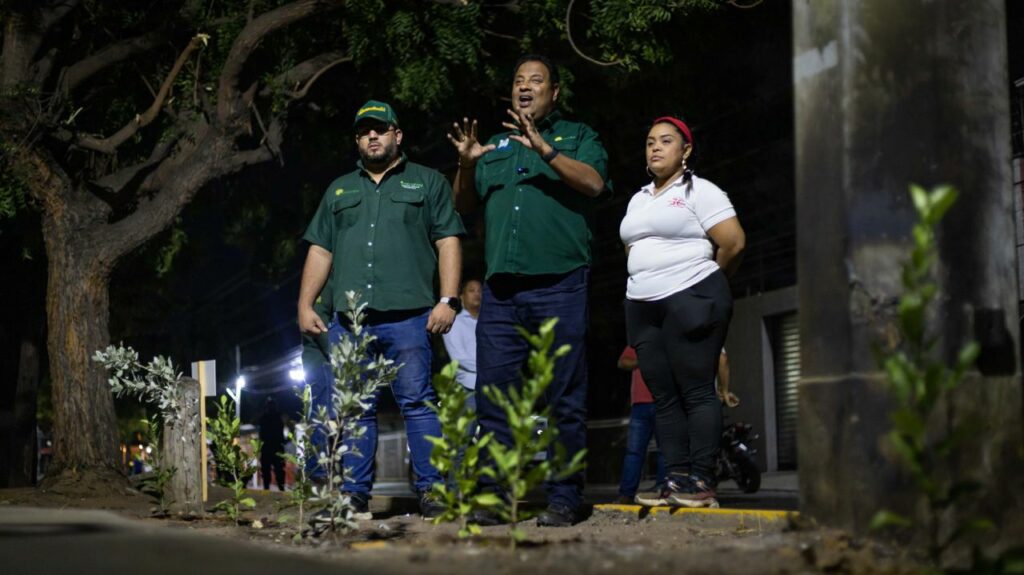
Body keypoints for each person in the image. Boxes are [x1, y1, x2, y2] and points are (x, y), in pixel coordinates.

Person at [448, 54, 610, 527]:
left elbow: (594, 183)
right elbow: (462, 203)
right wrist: (465, 165)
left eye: (536, 80)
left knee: (563, 395)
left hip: (560, 285)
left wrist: (545, 150)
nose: (524, 86)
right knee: (494, 398)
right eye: (518, 79)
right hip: (500, 293)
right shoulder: (495, 144)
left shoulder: (578, 136)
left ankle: (565, 497)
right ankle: (497, 497)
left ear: (553, 92)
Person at [298, 100, 466, 520]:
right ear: (357, 140)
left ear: (397, 135)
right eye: (364, 131)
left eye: (380, 129)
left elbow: (448, 239)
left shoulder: (427, 182)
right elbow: (320, 249)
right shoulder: (339, 190)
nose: (372, 136)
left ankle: (432, 492)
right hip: (350, 322)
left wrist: (448, 299)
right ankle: (355, 495)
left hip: (410, 318)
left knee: (418, 403)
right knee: (355, 409)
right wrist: (304, 303)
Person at [620, 116, 745, 509]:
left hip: (691, 296)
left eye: (665, 141)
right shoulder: (639, 198)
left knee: (695, 390)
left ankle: (702, 480)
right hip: (643, 305)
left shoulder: (701, 191)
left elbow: (733, 243)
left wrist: (704, 282)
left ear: (685, 150)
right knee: (664, 395)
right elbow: (633, 247)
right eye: (650, 142)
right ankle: (675, 480)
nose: (655, 148)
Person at [616, 345, 666, 504]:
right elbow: (622, 362)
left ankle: (662, 490)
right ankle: (626, 493)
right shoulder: (638, 340)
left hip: (664, 402)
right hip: (640, 404)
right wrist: (644, 362)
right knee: (634, 452)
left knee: (664, 451)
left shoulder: (669, 337)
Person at [441, 279, 483, 426]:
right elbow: (459, 358)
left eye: (480, 291)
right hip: (468, 388)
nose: (477, 294)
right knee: (464, 436)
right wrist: (491, 367)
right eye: (471, 290)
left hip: (492, 386)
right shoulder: (455, 322)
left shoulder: (489, 322)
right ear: (462, 297)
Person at [258, 397, 286, 491]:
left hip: (273, 447)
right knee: (268, 470)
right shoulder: (266, 418)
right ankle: (270, 487)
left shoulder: (276, 417)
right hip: (270, 447)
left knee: (277, 470)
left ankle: (278, 487)